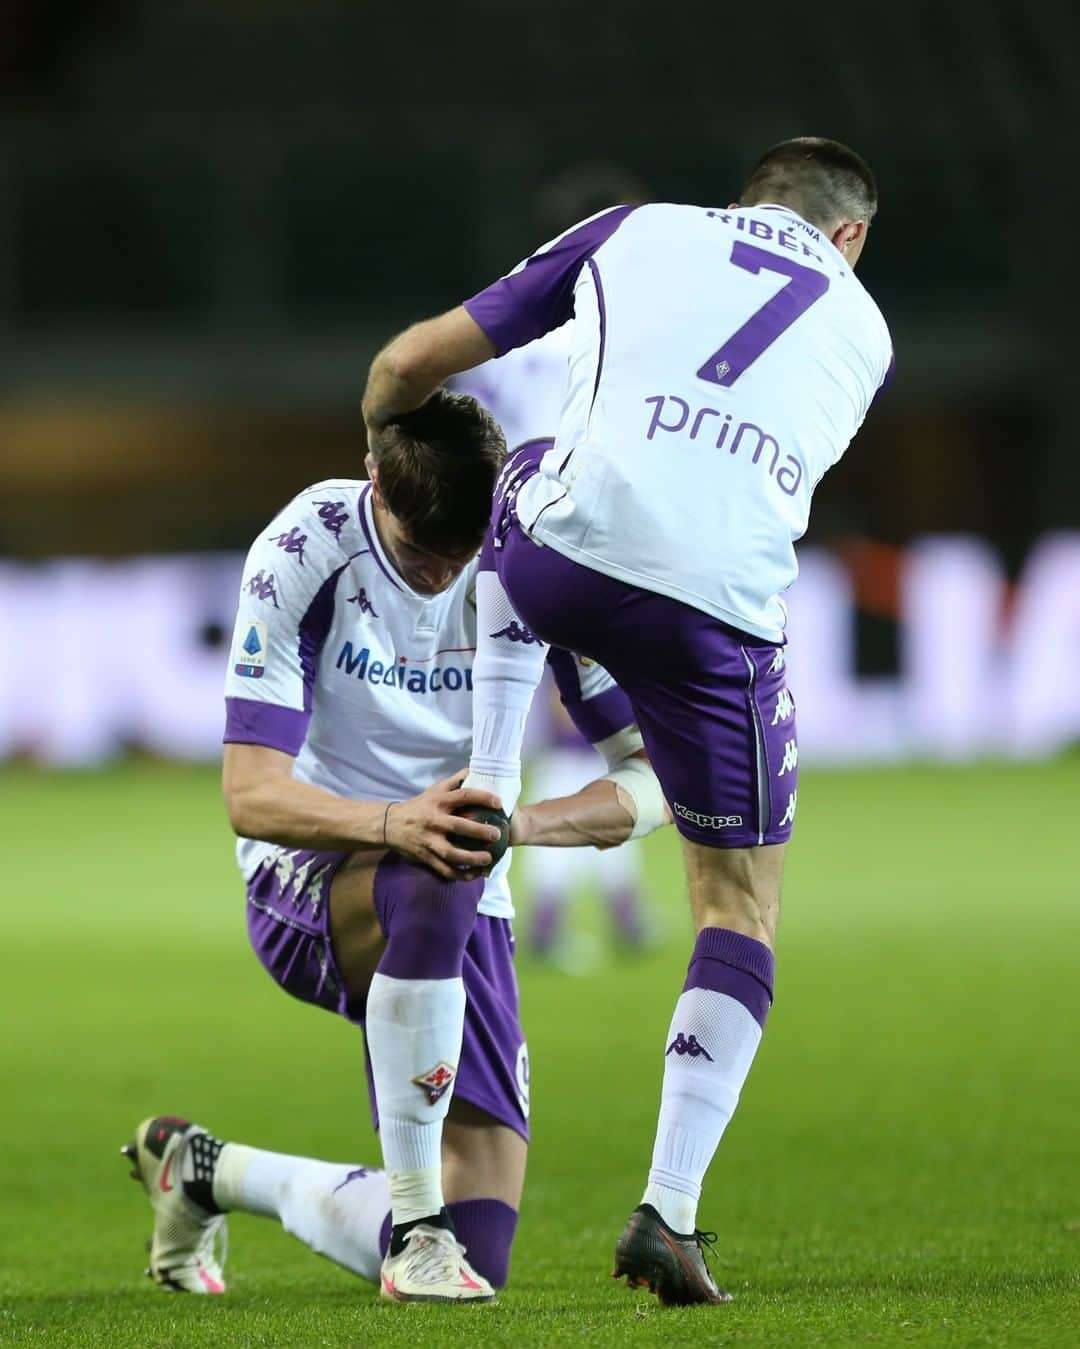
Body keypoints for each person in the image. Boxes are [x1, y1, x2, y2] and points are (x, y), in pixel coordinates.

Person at [360, 138, 894, 1305]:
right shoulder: (867, 326)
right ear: (848, 236)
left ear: (745, 196)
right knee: (738, 903)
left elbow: (413, 359)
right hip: (724, 614)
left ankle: (491, 789)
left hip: (560, 552)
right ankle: (672, 1210)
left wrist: (382, 442)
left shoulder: (637, 229)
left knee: (523, 462)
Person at [122, 390, 667, 1302]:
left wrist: (520, 826)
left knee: (484, 1247)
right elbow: (249, 794)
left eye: (462, 554)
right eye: (420, 552)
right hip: (312, 873)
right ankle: (415, 1228)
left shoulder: (538, 564)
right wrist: (392, 821)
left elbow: (652, 778)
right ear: (373, 479)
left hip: (461, 872)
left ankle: (204, 1168)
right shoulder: (304, 549)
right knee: (437, 862)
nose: (441, 575)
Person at [452, 163, 654, 963]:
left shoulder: (501, 337)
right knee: (605, 735)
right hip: (585, 537)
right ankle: (550, 914)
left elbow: (469, 444)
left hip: (503, 545)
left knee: (533, 734)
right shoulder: (620, 332)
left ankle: (598, 909)